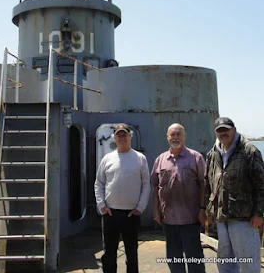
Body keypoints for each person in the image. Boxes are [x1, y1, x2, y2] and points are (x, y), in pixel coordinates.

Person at [205, 117, 264, 273]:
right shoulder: (212, 154)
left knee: (248, 262)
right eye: (219, 130)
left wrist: (259, 213)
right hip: (221, 216)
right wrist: (209, 210)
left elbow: (261, 185)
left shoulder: (249, 151)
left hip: (244, 218)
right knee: (225, 261)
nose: (223, 133)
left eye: (226, 129)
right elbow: (208, 183)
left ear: (234, 130)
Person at [94, 123, 150, 273]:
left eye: (124, 134)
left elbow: (146, 184)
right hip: (110, 213)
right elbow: (99, 183)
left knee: (131, 252)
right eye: (119, 135)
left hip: (131, 214)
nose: (122, 137)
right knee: (109, 252)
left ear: (130, 136)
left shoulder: (140, 158)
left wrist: (140, 208)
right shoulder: (107, 159)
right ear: (114, 138)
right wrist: (102, 206)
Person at [151, 123, 206, 273]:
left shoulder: (196, 158)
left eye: (178, 134)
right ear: (167, 137)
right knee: (174, 258)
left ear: (184, 136)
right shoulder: (160, 159)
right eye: (172, 134)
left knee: (194, 257)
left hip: (191, 218)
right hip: (168, 219)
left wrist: (203, 209)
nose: (175, 137)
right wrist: (156, 210)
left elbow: (204, 185)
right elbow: (156, 187)